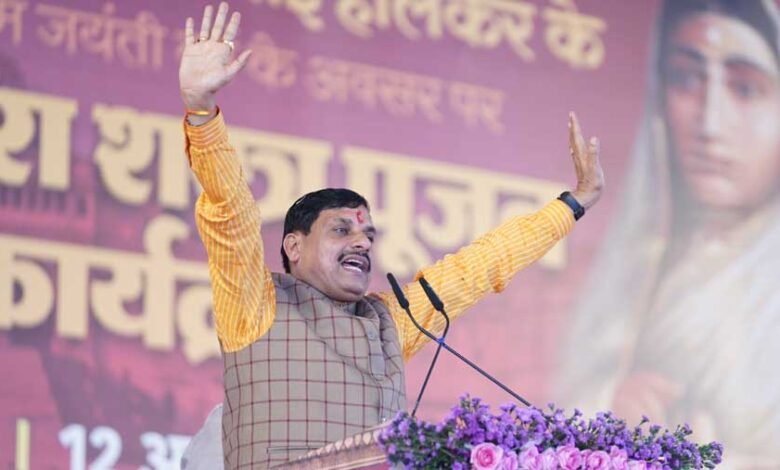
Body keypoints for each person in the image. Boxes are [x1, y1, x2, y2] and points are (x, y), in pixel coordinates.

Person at [179, 2, 604, 468]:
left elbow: (483, 266)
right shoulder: (255, 306)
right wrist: (201, 114)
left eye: (368, 235)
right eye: (341, 229)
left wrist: (574, 203)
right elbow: (231, 213)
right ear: (293, 245)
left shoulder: (392, 321)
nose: (362, 243)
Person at [556, 0, 780, 467]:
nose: (709, 124)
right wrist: (611, 407)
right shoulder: (634, 269)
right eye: (685, 79)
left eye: (745, 88)